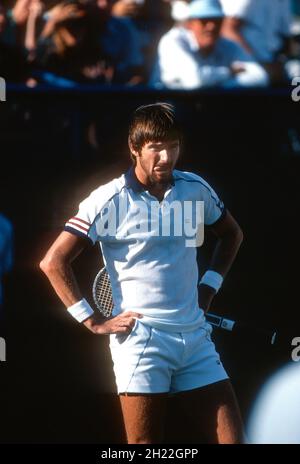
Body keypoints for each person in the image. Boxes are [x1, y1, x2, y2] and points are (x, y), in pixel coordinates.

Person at [40, 102, 244, 444]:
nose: (167, 156)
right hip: (141, 342)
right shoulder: (107, 199)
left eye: (174, 145)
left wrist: (208, 287)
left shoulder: (195, 189)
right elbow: (53, 262)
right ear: (135, 149)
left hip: (195, 338)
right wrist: (92, 321)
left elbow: (232, 235)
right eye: (157, 147)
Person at [151, 0, 269, 89]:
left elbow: (261, 77)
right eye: (204, 21)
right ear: (190, 24)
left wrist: (224, 84)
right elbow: (196, 81)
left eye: (216, 20)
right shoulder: (173, 41)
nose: (211, 26)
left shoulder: (227, 45)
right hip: (166, 113)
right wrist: (229, 72)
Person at [220, 0, 300, 83]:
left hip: (272, 60)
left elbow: (285, 36)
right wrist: (261, 64)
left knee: (297, 72)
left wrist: (280, 62)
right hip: (244, 62)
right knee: (257, 79)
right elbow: (227, 29)